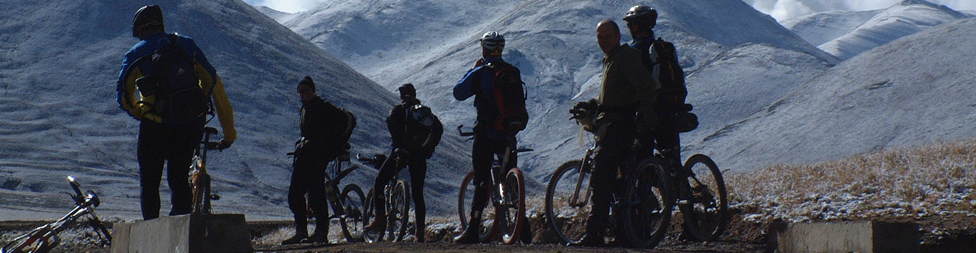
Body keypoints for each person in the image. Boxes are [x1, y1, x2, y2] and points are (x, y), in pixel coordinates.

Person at [116, 5, 236, 221]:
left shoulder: (137, 53)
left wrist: (141, 111)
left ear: (140, 29)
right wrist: (196, 103)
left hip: (155, 125)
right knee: (179, 178)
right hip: (189, 123)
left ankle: (152, 232)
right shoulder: (186, 44)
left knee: (150, 181)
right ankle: (181, 230)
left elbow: (124, 94)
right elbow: (210, 77)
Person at [572, 19, 658, 247]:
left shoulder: (626, 57)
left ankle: (594, 234)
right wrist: (592, 104)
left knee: (601, 178)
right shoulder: (611, 59)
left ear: (619, 36)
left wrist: (646, 107)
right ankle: (624, 234)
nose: (604, 41)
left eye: (608, 36)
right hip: (616, 124)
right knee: (618, 184)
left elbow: (646, 85)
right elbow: (614, 94)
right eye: (600, 37)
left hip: (619, 127)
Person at [452, 31, 529, 244]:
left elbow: (458, 92)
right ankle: (524, 231)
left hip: (487, 133)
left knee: (482, 179)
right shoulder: (512, 71)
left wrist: (475, 69)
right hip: (509, 131)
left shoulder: (482, 72)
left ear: (484, 48)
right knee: (510, 182)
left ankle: (473, 229)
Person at [364, 83, 439, 243]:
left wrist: (398, 145)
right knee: (418, 194)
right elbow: (438, 128)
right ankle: (420, 232)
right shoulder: (425, 112)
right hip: (419, 156)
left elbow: (391, 123)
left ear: (402, 95)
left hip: (402, 153)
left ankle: (379, 219)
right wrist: (428, 149)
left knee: (380, 181)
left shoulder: (399, 109)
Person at [281, 76, 352, 245]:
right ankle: (302, 231)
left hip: (317, 156)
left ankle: (320, 232)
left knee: (315, 193)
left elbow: (343, 121)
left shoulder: (323, 106)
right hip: (306, 155)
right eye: (301, 91)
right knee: (295, 194)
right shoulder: (305, 108)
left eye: (306, 90)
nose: (304, 94)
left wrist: (328, 145)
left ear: (313, 90)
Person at [624, 5, 687, 164]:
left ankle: (647, 183)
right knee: (672, 161)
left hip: (650, 111)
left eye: (630, 24)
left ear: (637, 25)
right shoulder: (663, 48)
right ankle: (683, 187)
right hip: (671, 107)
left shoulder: (635, 51)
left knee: (641, 160)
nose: (629, 27)